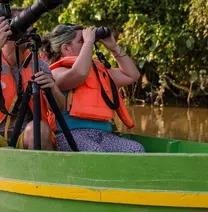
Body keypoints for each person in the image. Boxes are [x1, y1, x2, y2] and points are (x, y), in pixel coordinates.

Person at [0, 11, 66, 150]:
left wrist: (51, 88)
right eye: (25, 25)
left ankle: (35, 169)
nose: (30, 32)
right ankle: (4, 168)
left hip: (27, 137)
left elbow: (59, 108)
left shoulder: (37, 63)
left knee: (39, 128)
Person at [42, 24, 145, 153]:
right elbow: (79, 74)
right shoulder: (57, 72)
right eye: (82, 41)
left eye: (87, 40)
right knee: (94, 152)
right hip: (70, 135)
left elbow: (132, 75)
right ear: (66, 48)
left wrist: (114, 47)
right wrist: (89, 42)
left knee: (136, 149)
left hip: (104, 135)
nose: (87, 43)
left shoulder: (99, 72)